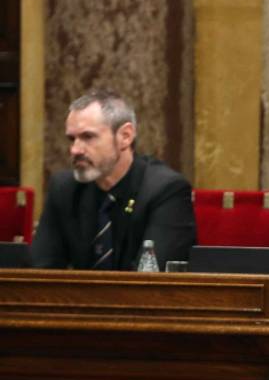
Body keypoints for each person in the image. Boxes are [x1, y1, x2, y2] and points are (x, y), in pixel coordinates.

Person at [32, 89, 195, 270]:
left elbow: (152, 277)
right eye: (72, 139)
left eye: (88, 137)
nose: (75, 150)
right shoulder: (64, 188)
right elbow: (41, 269)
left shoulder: (165, 190)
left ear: (125, 136)